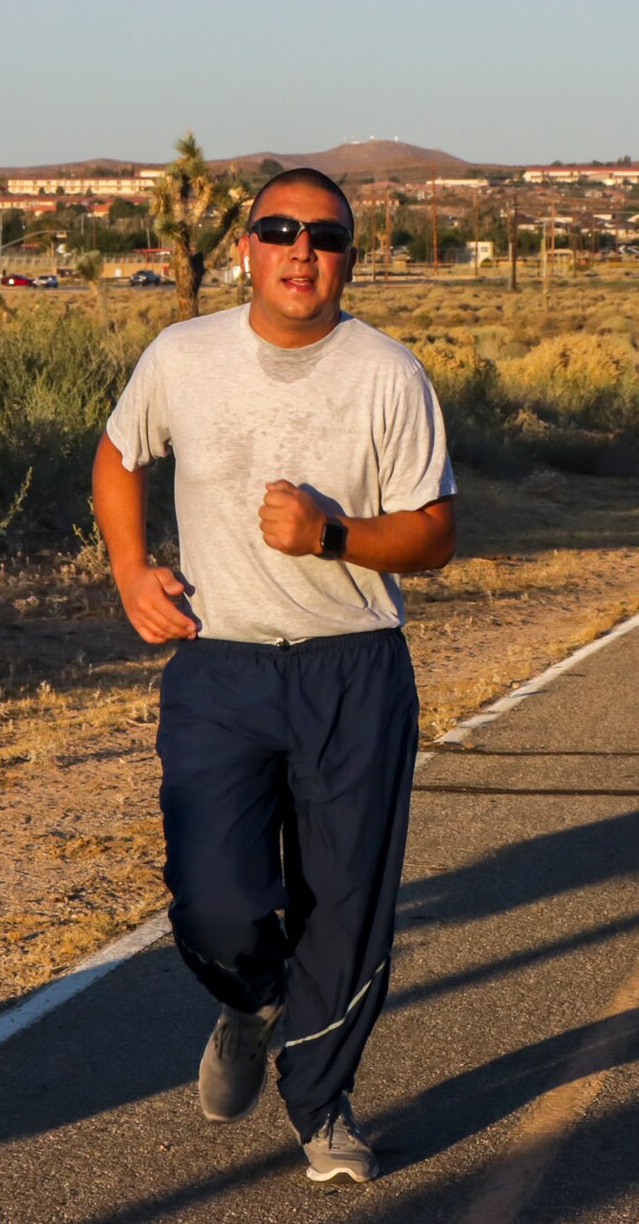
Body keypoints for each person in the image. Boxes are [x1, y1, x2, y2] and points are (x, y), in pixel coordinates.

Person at [91, 167, 456, 1185]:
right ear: (246, 246)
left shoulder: (388, 375)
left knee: (345, 905)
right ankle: (248, 1001)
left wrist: (331, 532)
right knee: (216, 898)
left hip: (353, 671)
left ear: (349, 256)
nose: (302, 251)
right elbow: (119, 457)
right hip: (221, 666)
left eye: (325, 236)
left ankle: (322, 1103)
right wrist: (129, 569)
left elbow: (432, 535)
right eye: (280, 230)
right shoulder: (183, 354)